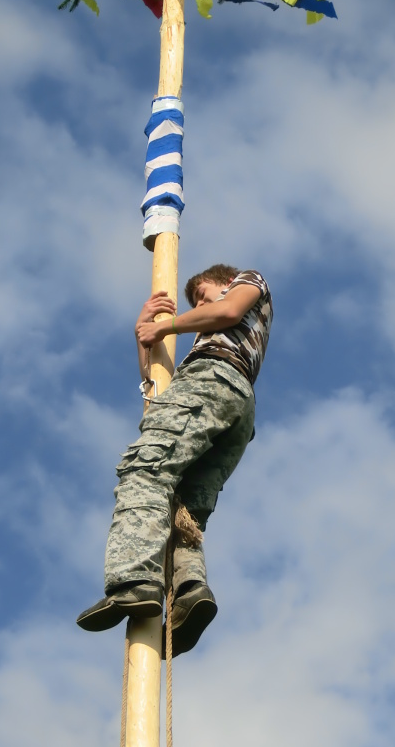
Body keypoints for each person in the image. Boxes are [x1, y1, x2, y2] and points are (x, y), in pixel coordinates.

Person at [77, 264, 273, 657]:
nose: (198, 305)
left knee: (145, 470)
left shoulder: (247, 282)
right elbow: (154, 382)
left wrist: (166, 326)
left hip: (213, 381)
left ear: (226, 281)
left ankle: (134, 579)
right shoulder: (205, 336)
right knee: (185, 512)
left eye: (202, 295)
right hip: (233, 405)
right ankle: (189, 591)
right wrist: (144, 332)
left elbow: (228, 310)